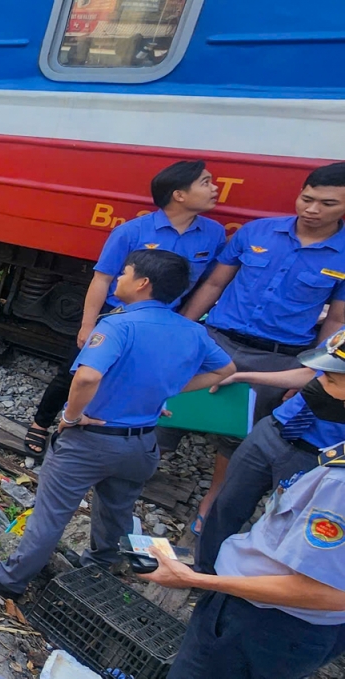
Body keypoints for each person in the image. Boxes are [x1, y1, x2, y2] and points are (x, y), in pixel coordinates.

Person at [0, 249, 235, 597]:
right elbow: (225, 371)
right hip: (142, 444)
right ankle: (100, 567)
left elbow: (87, 377)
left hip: (93, 439)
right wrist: (164, 393)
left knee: (52, 513)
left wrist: (71, 416)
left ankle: (10, 579)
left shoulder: (118, 325)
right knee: (117, 508)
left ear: (142, 284)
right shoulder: (191, 331)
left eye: (125, 273)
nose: (118, 278)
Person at [181, 161, 345, 534]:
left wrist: (313, 373)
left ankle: (212, 500)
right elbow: (213, 285)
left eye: (328, 204)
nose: (312, 210)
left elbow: (336, 321)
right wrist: (185, 329)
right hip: (216, 341)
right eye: (307, 198)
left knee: (236, 435)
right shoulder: (258, 231)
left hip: (276, 357)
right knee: (171, 408)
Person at [24, 161, 223, 457]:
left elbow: (206, 285)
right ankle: (41, 423)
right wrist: (87, 325)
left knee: (133, 376)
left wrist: (183, 324)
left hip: (162, 322)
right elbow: (102, 278)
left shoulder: (214, 234)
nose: (215, 188)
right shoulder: (132, 231)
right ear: (179, 194)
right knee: (74, 371)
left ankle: (99, 431)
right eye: (205, 182)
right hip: (116, 317)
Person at [139, 441, 345, 679]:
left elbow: (329, 592)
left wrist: (193, 579)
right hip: (284, 620)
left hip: (267, 620)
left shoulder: (339, 484)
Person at [195, 329, 345, 572]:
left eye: (331, 378)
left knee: (287, 528)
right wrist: (241, 376)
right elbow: (311, 372)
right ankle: (203, 572)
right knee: (226, 505)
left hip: (320, 458)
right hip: (275, 429)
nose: (318, 382)